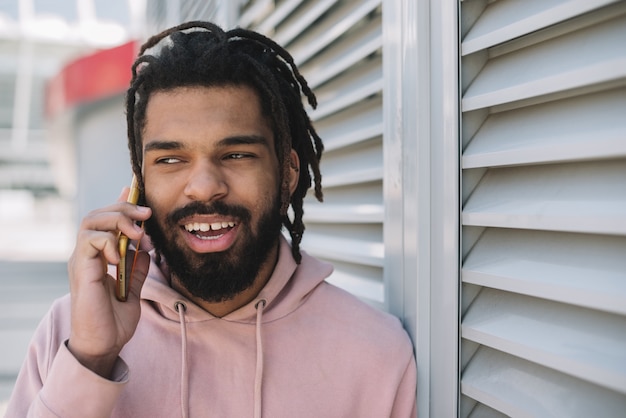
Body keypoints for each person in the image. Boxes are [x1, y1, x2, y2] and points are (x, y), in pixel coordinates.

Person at [6, 21, 416, 418]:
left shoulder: (377, 354)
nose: (203, 187)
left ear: (288, 173)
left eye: (236, 155)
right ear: (139, 184)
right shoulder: (69, 332)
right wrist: (92, 360)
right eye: (170, 160)